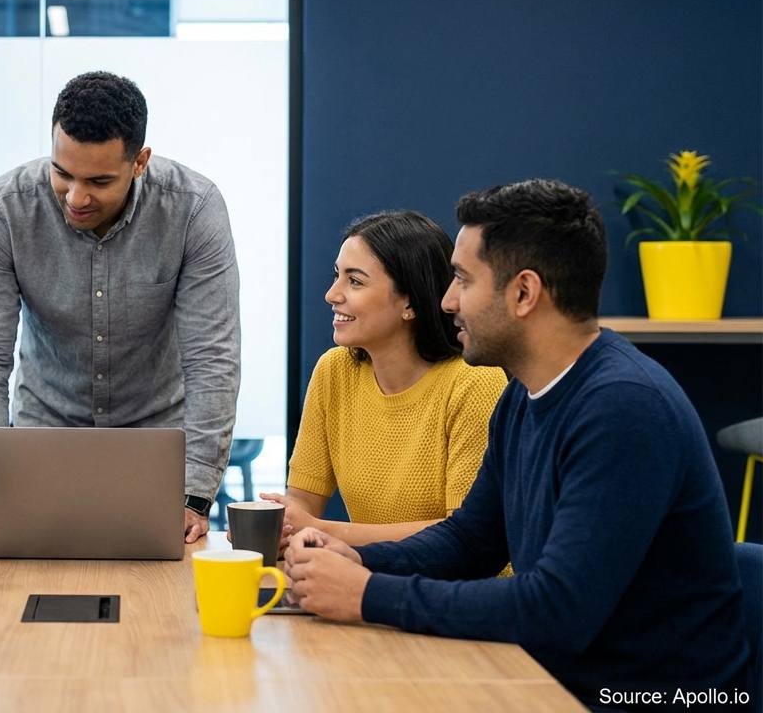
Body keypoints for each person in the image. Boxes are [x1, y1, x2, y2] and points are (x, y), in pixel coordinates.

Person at [283, 179, 750, 710]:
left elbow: (559, 609)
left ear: (524, 293)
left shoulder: (623, 407)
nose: (447, 300)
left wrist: (367, 594)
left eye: (462, 279)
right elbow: (471, 540)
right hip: (556, 677)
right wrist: (360, 560)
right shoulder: (524, 396)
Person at [0, 71, 241, 542]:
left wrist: (194, 494)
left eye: (99, 180)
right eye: (62, 173)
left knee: (156, 599)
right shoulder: (4, 210)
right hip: (43, 439)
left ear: (139, 161)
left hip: (156, 444)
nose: (76, 196)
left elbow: (213, 358)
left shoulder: (193, 208)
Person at [260, 211, 507, 548]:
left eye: (355, 280)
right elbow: (303, 500)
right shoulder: (334, 371)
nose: (332, 294)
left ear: (410, 302)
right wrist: (282, 527)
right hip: (372, 578)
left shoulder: (475, 383)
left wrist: (322, 530)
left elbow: (466, 535)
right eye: (337, 275)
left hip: (462, 592)